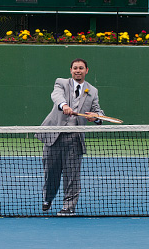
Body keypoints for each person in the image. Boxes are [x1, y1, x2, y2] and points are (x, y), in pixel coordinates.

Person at [35, 59, 104, 215]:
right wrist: (64, 106)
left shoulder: (92, 91)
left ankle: (69, 207)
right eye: (75, 68)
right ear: (71, 70)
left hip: (74, 139)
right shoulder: (61, 83)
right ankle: (48, 198)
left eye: (81, 68)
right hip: (54, 136)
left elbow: (98, 111)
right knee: (50, 172)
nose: (77, 70)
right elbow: (56, 96)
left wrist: (96, 117)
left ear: (87, 70)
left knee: (72, 175)